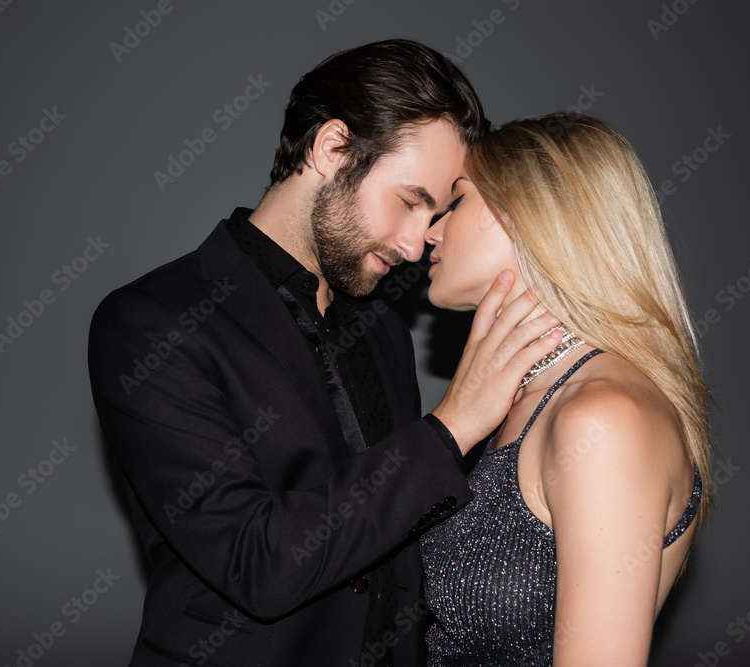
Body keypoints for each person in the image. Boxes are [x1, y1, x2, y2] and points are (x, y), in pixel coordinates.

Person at [87, 40, 562, 666]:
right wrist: (452, 428)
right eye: (411, 200)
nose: (418, 245)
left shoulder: (385, 330)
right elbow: (258, 563)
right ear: (331, 147)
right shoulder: (153, 322)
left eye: (438, 213)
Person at [419, 113, 713, 666]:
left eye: (457, 201)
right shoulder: (528, 402)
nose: (431, 231)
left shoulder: (602, 418)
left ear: (530, 215)